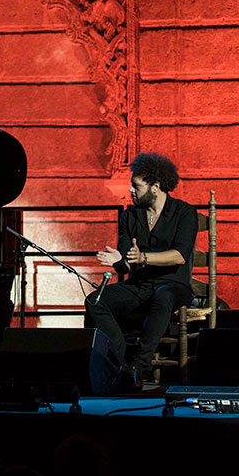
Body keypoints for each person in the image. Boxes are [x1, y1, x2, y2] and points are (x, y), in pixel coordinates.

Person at [88, 152, 197, 391]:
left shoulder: (184, 212)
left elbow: (179, 255)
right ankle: (119, 360)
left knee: (164, 296)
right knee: (95, 300)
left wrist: (144, 257)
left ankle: (139, 366)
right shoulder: (130, 215)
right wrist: (120, 262)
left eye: (136, 186)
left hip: (173, 284)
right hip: (139, 285)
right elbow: (127, 261)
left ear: (155, 187)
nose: (131, 191)